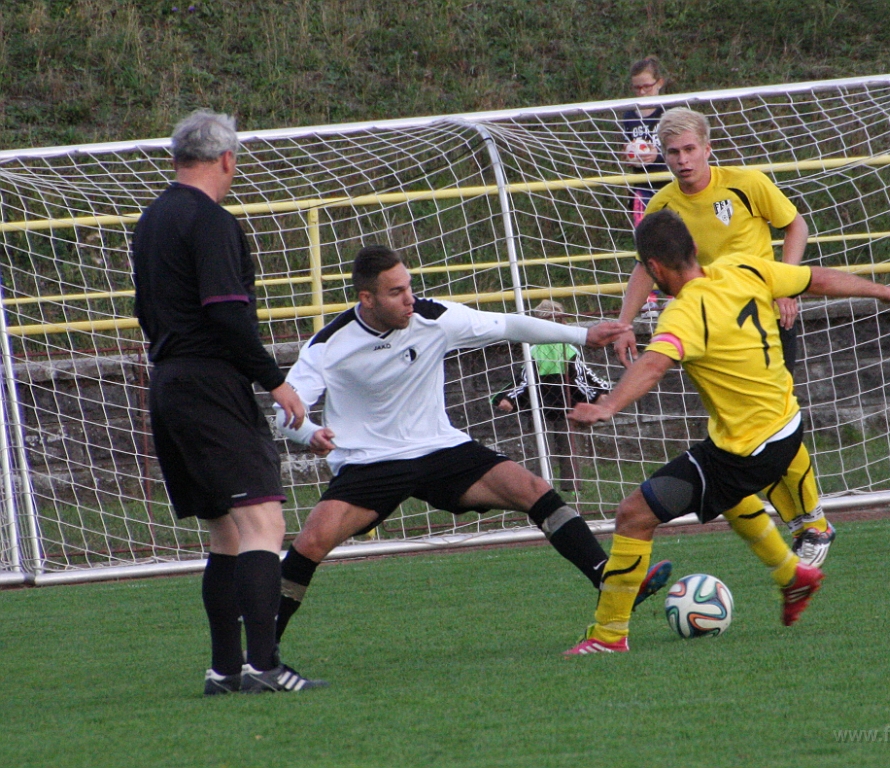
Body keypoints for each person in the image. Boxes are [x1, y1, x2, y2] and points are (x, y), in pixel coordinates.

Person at [564, 209, 890, 654]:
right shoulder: (743, 267)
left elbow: (654, 364)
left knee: (633, 514)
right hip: (787, 428)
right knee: (725, 489)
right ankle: (792, 576)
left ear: (654, 269)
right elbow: (815, 278)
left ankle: (607, 636)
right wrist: (884, 291)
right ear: (695, 249)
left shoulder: (684, 313)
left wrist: (608, 404)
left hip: (747, 451)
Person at [272, 246, 673, 645]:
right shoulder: (329, 344)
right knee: (311, 542)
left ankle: (609, 580)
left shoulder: (433, 317)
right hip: (370, 461)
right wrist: (310, 433)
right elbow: (285, 410)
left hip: (439, 449)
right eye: (396, 292)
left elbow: (508, 325)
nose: (409, 298)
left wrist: (583, 335)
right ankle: (260, 650)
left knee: (533, 489)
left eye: (409, 286)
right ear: (367, 298)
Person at [132, 110, 324, 695]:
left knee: (227, 534)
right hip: (211, 385)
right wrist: (275, 381)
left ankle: (225, 671)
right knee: (263, 522)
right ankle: (263, 666)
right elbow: (225, 314)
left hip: (168, 383)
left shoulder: (151, 219)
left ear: (176, 158)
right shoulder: (210, 221)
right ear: (226, 159)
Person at [614, 107, 833, 563]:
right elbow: (644, 265)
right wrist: (624, 322)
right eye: (672, 152)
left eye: (689, 149)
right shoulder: (662, 207)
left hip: (760, 318)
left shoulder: (746, 184)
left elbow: (795, 224)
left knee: (770, 418)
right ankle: (797, 538)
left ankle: (812, 525)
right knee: (736, 433)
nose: (682, 160)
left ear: (708, 149)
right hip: (706, 331)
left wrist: (785, 285)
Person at [492, 299, 612, 493]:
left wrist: (600, 392)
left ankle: (564, 486)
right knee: (548, 449)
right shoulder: (537, 350)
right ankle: (547, 486)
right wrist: (506, 398)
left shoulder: (565, 349)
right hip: (542, 408)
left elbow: (580, 377)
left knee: (562, 448)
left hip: (562, 406)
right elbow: (524, 379)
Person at [621, 56, 669, 227]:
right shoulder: (629, 116)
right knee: (644, 232)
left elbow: (683, 148)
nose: (642, 92)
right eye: (637, 88)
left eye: (646, 87)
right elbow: (626, 145)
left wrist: (657, 154)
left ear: (659, 83)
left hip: (670, 183)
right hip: (643, 186)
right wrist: (628, 155)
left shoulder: (670, 111)